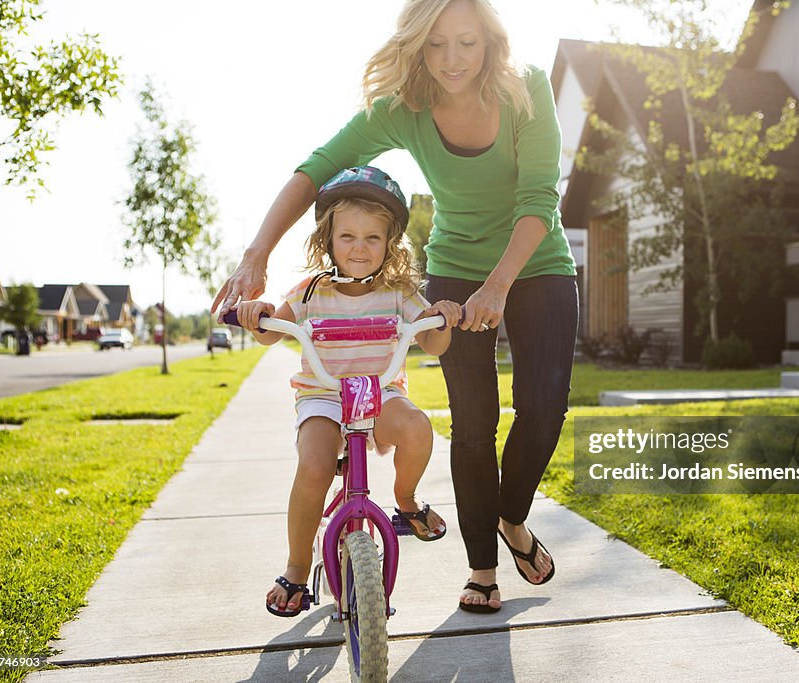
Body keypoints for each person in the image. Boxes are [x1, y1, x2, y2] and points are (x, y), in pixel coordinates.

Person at [213, 0, 578, 614]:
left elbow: (540, 199)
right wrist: (256, 254)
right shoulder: (405, 107)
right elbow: (316, 169)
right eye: (435, 45)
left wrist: (499, 286)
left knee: (543, 411)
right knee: (474, 421)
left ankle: (511, 519)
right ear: (416, 46)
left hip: (535, 263)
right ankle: (483, 571)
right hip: (457, 265)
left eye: (466, 43)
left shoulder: (528, 87)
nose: (452, 60)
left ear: (490, 39)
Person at [234, 166, 463, 617]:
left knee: (418, 429)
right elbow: (270, 331)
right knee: (315, 465)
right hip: (324, 395)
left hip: (380, 392)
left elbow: (434, 342)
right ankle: (298, 567)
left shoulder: (399, 292)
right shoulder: (310, 292)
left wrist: (441, 316)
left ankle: (406, 502)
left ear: (390, 242)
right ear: (328, 239)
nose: (360, 248)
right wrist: (258, 311)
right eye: (348, 237)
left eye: (373, 238)